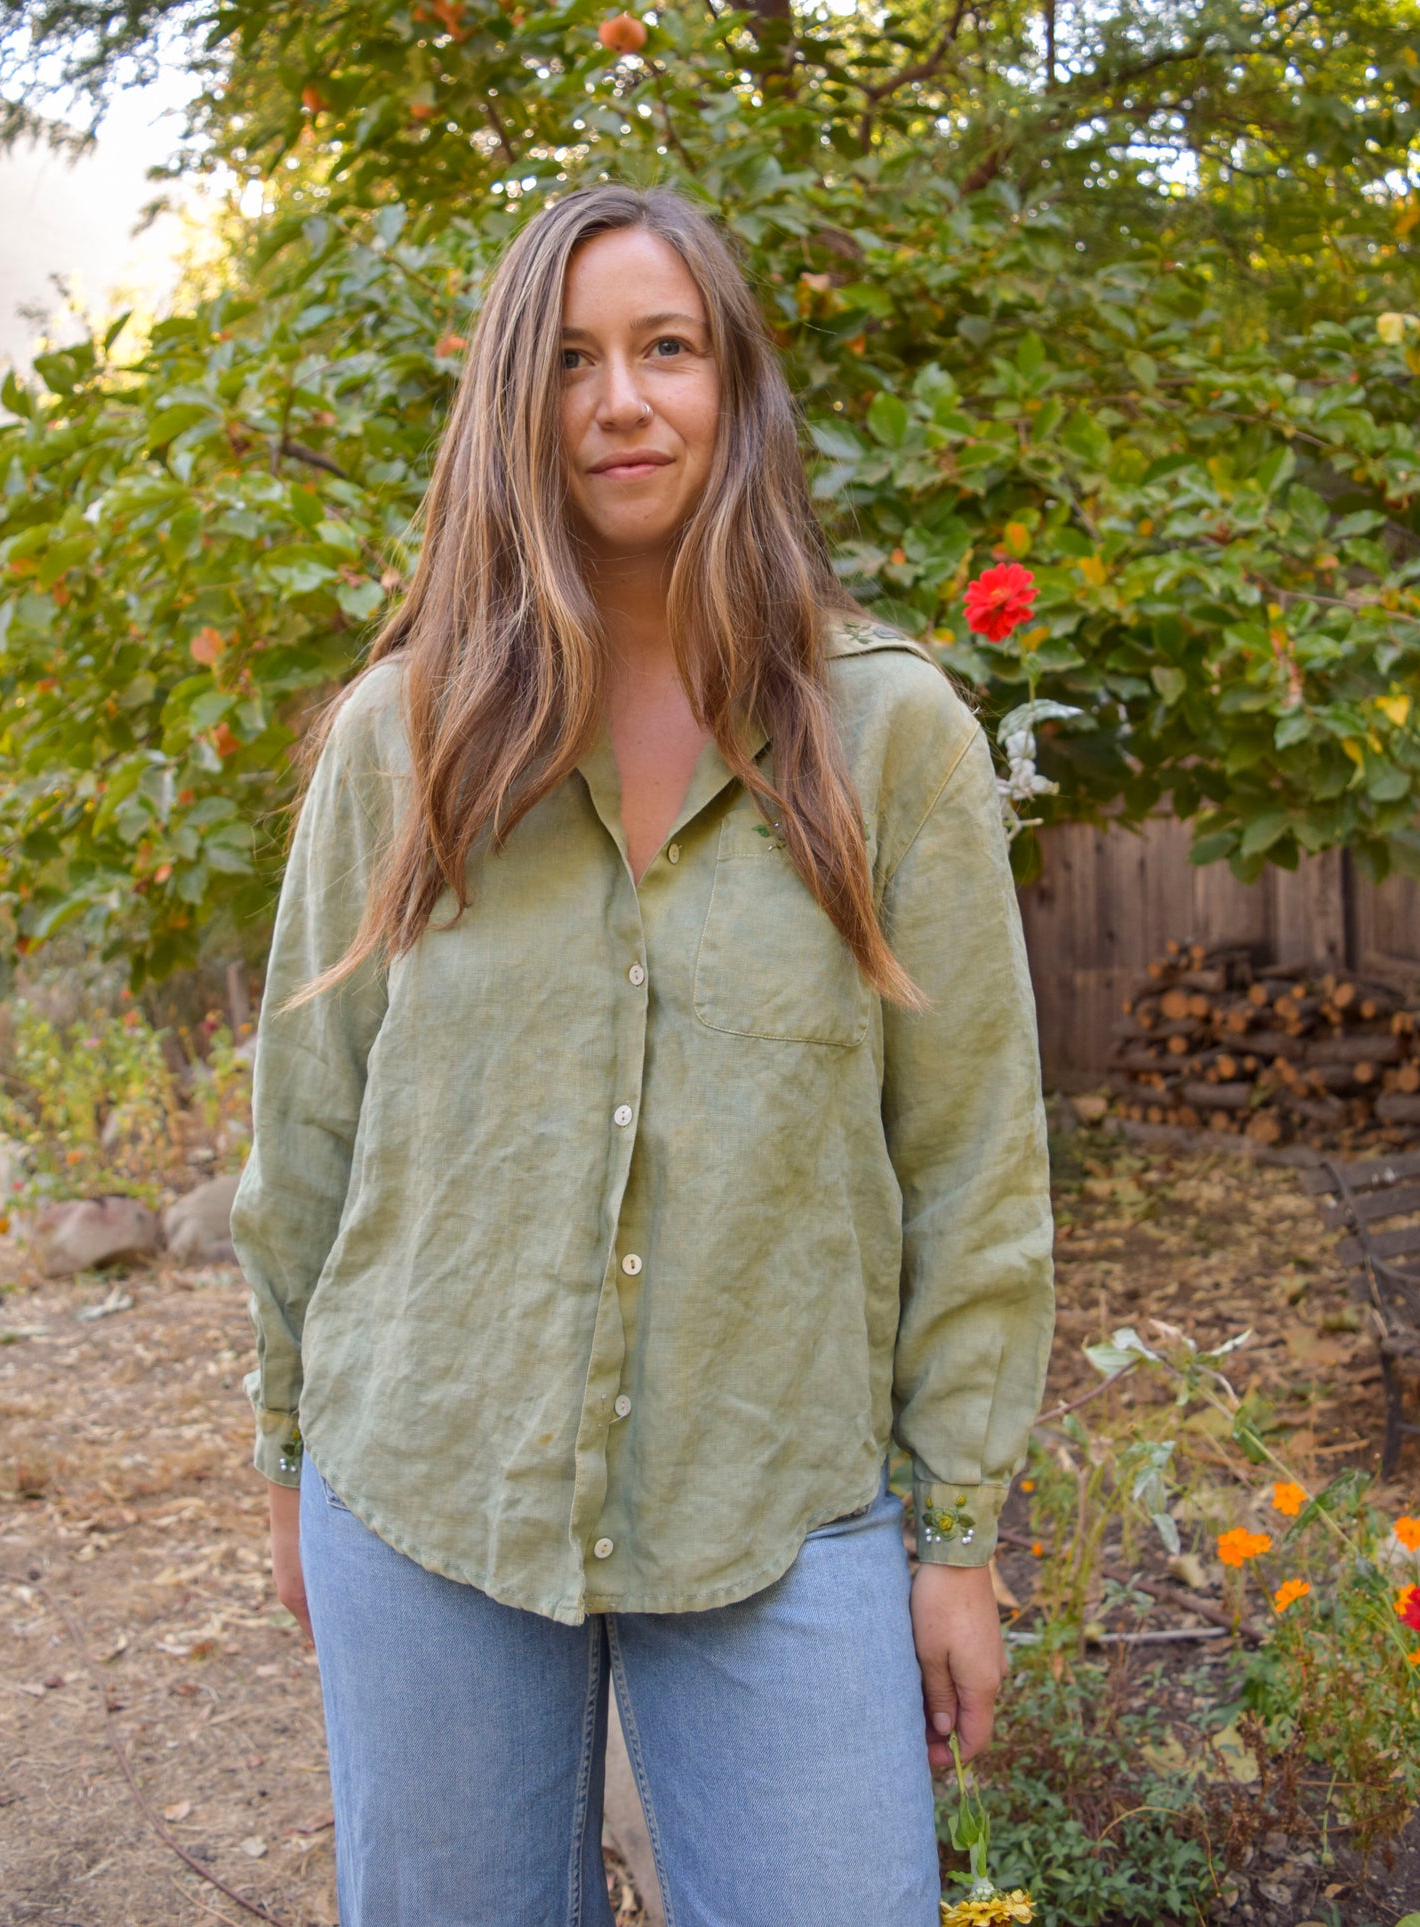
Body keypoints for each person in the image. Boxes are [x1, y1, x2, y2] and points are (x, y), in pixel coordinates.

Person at [230, 181, 1055, 1927]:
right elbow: (306, 1123)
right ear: (514, 406)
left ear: (731, 384)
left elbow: (973, 1157)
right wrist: (295, 1458)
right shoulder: (405, 740)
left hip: (782, 1495)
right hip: (429, 1486)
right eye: (572, 358)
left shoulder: (891, 734)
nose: (620, 399)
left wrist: (958, 1536)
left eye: (664, 348)